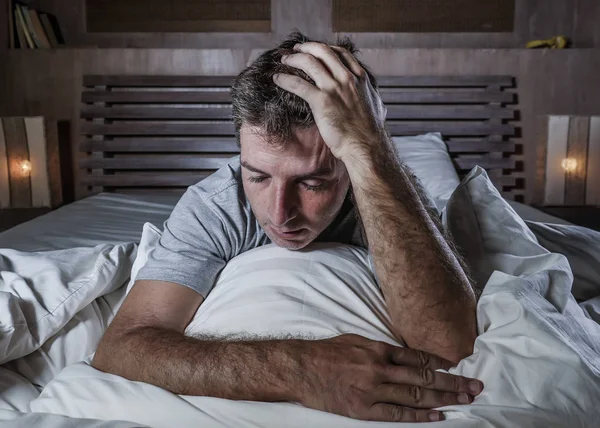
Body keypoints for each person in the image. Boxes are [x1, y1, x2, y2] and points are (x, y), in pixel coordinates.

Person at [93, 32, 481, 423]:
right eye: (258, 177)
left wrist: (368, 149)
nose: (280, 215)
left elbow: (448, 346)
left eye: (313, 183)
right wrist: (300, 368)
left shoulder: (391, 192)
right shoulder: (216, 205)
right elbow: (122, 347)